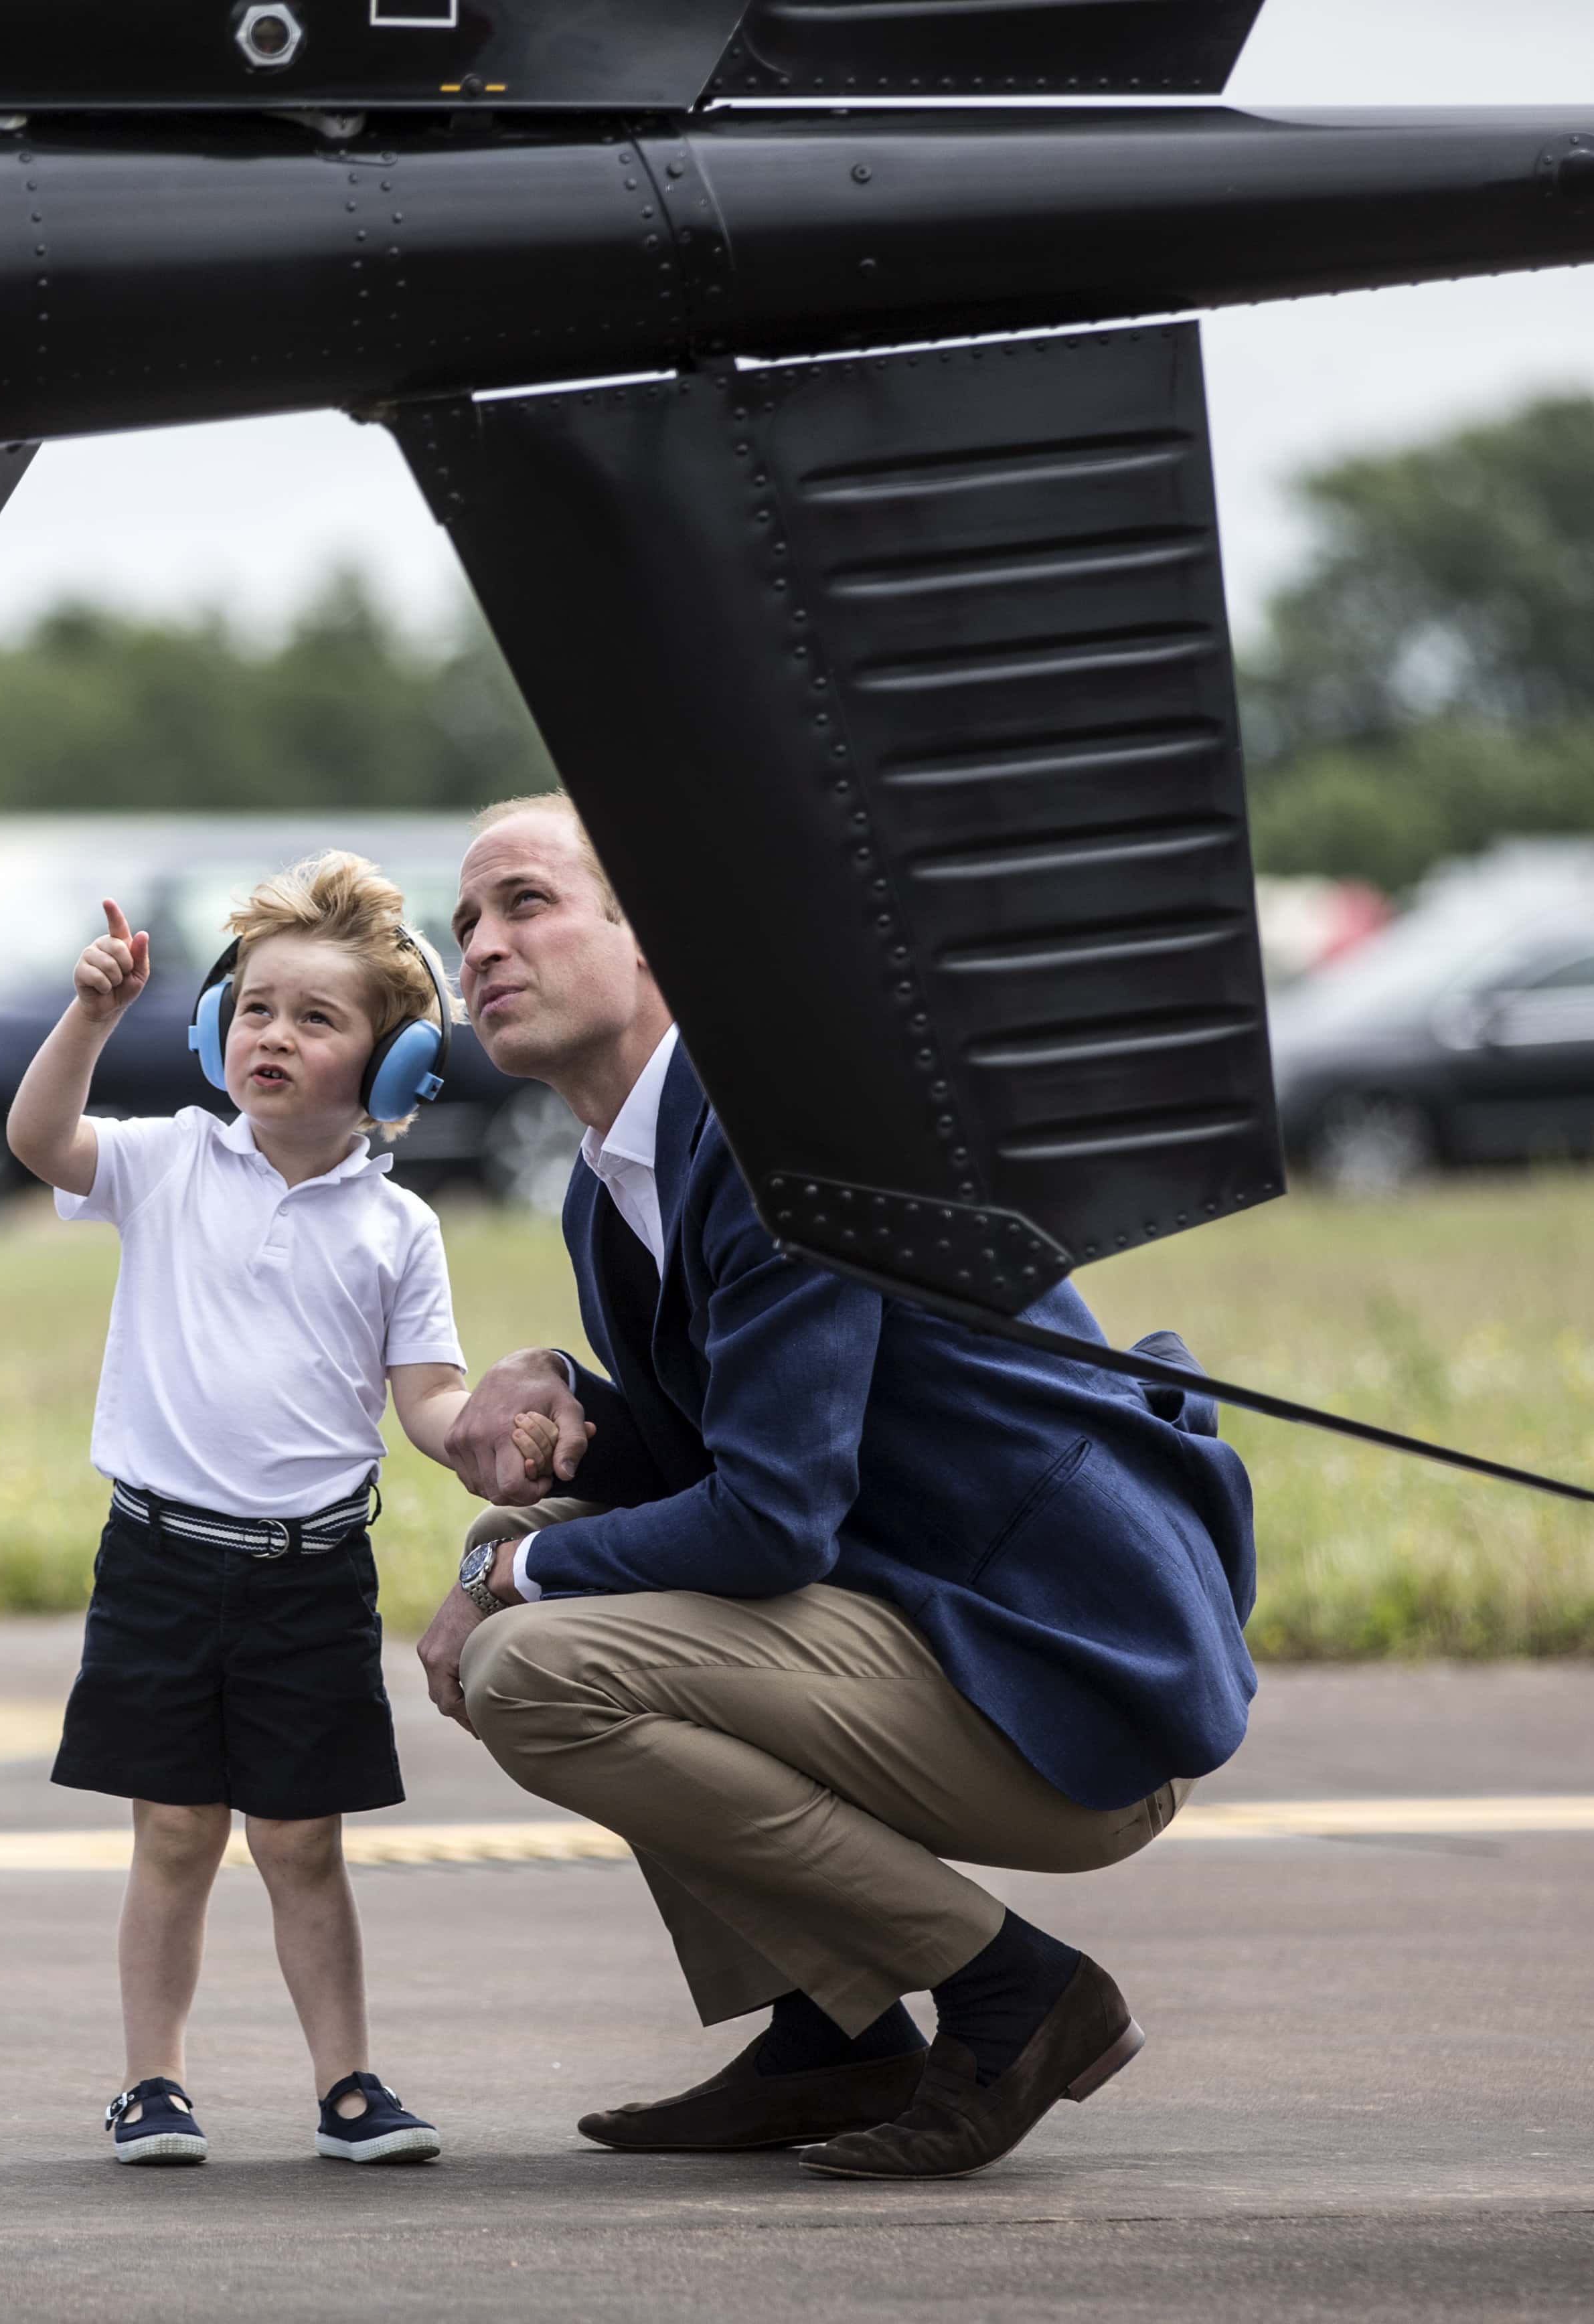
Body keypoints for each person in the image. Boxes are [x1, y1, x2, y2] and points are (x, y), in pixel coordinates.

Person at [416, 794, 1258, 2182]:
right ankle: (834, 2031)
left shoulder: (774, 1142)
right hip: (920, 1630)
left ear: (656, 944)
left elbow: (766, 1524)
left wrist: (498, 1577)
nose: (480, 950)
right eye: (464, 924)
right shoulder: (615, 1177)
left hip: (1064, 1676)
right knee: (535, 1556)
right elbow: (724, 1460)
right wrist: (564, 1417)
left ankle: (1011, 1991)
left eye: (523, 902)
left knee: (533, 1663)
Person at [7, 852, 473, 2169]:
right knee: (170, 1834)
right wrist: (89, 1018)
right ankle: (151, 2081)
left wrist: (484, 1440)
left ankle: (348, 2085)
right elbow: (42, 1141)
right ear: (216, 1029)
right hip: (160, 1557)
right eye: (255, 1007)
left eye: (316, 1018)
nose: (273, 1032)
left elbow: (426, 1399)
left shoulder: (398, 1229)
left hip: (310, 1574)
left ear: (390, 1073)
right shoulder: (164, 1163)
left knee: (300, 1841)